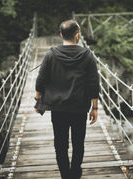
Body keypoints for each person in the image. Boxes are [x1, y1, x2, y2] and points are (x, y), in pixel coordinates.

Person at [34, 19, 100, 179]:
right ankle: (75, 173)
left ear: (61, 35)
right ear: (77, 35)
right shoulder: (87, 55)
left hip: (58, 109)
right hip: (79, 108)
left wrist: (37, 99)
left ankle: (65, 175)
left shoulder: (50, 55)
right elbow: (93, 83)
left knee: (60, 144)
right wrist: (95, 108)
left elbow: (40, 80)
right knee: (78, 144)